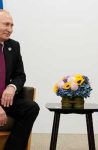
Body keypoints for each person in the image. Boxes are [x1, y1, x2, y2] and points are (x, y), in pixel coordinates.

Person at [0, 9, 40, 150]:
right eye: (6, 24)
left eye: (12, 25)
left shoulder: (13, 46)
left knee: (31, 108)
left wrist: (12, 87)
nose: (10, 29)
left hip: (6, 100)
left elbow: (20, 75)